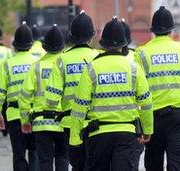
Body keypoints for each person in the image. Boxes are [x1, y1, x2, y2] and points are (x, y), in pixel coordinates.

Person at [70, 16, 153, 170]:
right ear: (124, 44)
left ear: (103, 44)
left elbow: (80, 105)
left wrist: (75, 137)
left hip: (98, 135)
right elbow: (146, 103)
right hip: (126, 134)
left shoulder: (92, 68)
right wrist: (147, 130)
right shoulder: (134, 68)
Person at [134, 6, 180, 171]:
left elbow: (136, 90)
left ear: (153, 30)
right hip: (179, 117)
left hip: (152, 117)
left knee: (153, 161)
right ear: (171, 29)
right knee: (177, 160)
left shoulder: (141, 53)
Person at [45, 10, 99, 171]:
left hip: (69, 122)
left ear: (72, 36)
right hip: (95, 123)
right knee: (94, 164)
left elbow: (51, 97)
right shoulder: (98, 57)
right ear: (91, 37)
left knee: (76, 164)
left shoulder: (62, 60)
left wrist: (52, 110)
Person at [19, 24, 68, 171]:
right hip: (63, 122)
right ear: (62, 47)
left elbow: (24, 96)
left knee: (44, 161)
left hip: (41, 123)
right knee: (63, 158)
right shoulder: (65, 65)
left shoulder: (36, 67)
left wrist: (25, 120)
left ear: (44, 47)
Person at [0, 22, 39, 171]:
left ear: (15, 45)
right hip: (34, 115)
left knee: (18, 155)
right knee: (35, 153)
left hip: (14, 116)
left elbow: (0, 92)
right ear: (31, 45)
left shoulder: (7, 65)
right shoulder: (37, 63)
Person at [121, 18, 145, 170]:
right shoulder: (136, 58)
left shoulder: (98, 61)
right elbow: (144, 95)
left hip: (102, 127)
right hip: (132, 124)